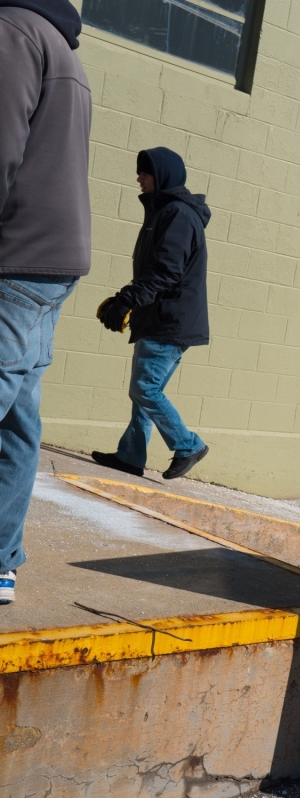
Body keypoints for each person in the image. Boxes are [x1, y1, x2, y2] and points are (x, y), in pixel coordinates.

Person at [0, 0, 91, 605]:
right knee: (16, 419)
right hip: (53, 262)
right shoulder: (65, 51)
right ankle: (1, 558)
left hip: (15, 256)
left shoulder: (12, 30)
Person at [92, 148, 210, 481]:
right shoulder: (166, 212)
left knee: (146, 388)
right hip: (161, 318)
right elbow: (156, 270)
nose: (139, 178)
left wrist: (128, 300)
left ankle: (188, 445)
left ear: (163, 177)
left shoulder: (176, 214)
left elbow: (167, 271)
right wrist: (125, 298)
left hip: (167, 321)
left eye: (145, 172)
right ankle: (131, 456)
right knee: (145, 391)